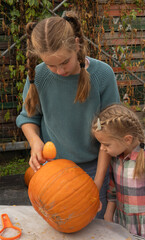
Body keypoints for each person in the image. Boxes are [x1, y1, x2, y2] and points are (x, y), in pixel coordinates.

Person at [16, 11, 120, 219]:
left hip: (93, 170)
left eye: (65, 62)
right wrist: (35, 142)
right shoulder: (39, 75)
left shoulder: (102, 75)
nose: (59, 71)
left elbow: (112, 135)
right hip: (51, 172)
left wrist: (97, 184)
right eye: (51, 65)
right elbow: (28, 118)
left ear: (76, 44)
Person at [92, 103, 145, 239]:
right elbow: (113, 190)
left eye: (106, 144)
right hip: (124, 224)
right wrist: (109, 213)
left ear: (127, 140)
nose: (101, 149)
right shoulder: (116, 159)